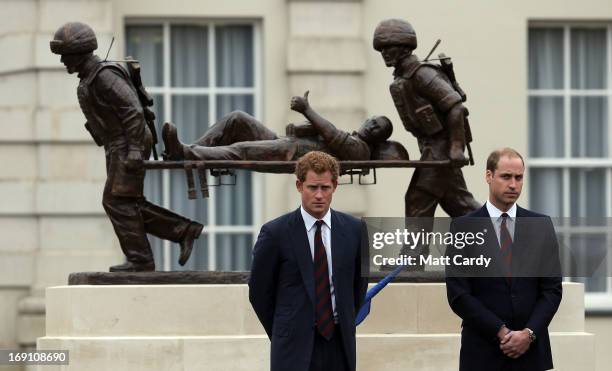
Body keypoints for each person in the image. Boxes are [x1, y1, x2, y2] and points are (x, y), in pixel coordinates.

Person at [50, 22, 203, 272]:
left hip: (128, 143)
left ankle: (143, 259)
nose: (63, 61)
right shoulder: (91, 77)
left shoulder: (104, 76)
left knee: (116, 201)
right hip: (117, 145)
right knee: (125, 201)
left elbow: (132, 112)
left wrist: (133, 150)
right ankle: (183, 231)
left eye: (65, 55)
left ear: (78, 52)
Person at [248, 151, 368, 371]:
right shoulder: (275, 233)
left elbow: (358, 288)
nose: (319, 195)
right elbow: (259, 293)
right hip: (293, 348)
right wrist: (284, 330)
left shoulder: (355, 230)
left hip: (339, 346)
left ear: (335, 187)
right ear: (299, 186)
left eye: (325, 188)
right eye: (313, 188)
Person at [445, 148, 563, 371]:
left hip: (531, 354)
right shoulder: (463, 227)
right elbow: (458, 293)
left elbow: (552, 290)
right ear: (489, 176)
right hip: (482, 353)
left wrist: (528, 334)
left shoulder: (541, 225)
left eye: (518, 178)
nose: (513, 185)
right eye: (506, 176)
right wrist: (502, 332)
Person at [161, 91, 409, 162]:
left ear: (378, 140)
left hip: (289, 155)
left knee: (241, 150)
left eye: (377, 128)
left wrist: (307, 109)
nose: (371, 125)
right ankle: (192, 149)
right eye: (373, 121)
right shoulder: (352, 137)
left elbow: (332, 134)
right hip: (286, 142)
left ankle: (184, 153)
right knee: (238, 118)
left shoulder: (361, 151)